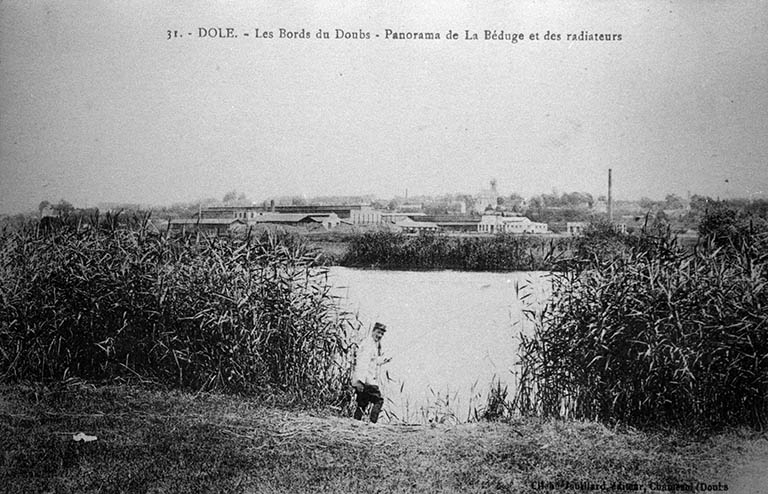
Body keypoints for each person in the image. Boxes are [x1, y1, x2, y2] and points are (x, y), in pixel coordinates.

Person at [351, 322, 391, 423]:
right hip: (366, 381)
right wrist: (360, 382)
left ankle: (356, 423)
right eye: (378, 332)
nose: (380, 335)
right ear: (373, 331)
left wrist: (384, 360)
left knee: (362, 403)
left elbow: (373, 361)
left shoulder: (370, 344)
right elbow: (362, 364)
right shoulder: (368, 345)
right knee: (379, 400)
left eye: (382, 334)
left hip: (364, 380)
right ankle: (373, 423)